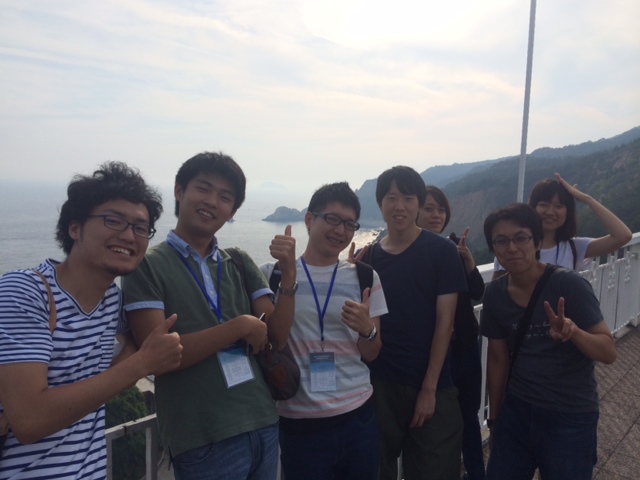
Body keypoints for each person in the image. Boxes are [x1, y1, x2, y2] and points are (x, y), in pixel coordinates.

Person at [0, 162, 183, 479]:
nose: (129, 235)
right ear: (75, 228)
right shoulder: (25, 291)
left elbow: (135, 344)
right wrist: (142, 363)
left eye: (141, 228)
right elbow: (30, 420)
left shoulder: (113, 302)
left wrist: (138, 354)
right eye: (114, 220)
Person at [122, 151, 296, 480]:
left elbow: (276, 336)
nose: (212, 202)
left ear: (232, 212)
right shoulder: (146, 266)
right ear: (179, 191)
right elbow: (156, 357)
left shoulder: (238, 262)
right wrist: (238, 327)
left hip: (262, 420)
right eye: (203, 188)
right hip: (202, 437)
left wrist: (288, 276)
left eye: (225, 197)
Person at [260, 182, 388, 480]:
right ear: (309, 219)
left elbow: (372, 352)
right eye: (332, 219)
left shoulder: (365, 277)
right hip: (299, 422)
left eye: (349, 224)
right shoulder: (273, 274)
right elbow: (272, 342)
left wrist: (367, 330)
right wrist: (288, 277)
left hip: (358, 417)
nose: (341, 231)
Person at [481, 203, 617, 480]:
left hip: (569, 415)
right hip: (517, 412)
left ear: (537, 242)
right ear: (493, 248)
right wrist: (495, 421)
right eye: (501, 241)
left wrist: (574, 332)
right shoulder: (495, 293)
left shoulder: (568, 285)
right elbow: (497, 358)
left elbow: (608, 351)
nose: (512, 248)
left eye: (521, 238)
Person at [359, 166, 467, 480]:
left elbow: (445, 323)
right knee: (377, 469)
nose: (400, 206)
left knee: (434, 470)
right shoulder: (370, 258)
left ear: (418, 203)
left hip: (432, 383)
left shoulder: (442, 252)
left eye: (408, 198)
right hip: (380, 385)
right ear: (380, 203)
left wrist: (429, 389)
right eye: (391, 198)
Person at [416, 185, 485, 480]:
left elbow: (478, 292)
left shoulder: (455, 247)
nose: (436, 215)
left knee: (468, 416)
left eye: (441, 209)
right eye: (429, 208)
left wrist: (469, 264)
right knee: (437, 421)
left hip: (464, 347)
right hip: (431, 351)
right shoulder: (409, 252)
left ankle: (476, 474)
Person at [493, 172, 632, 278]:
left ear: (567, 212)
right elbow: (497, 293)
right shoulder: (514, 248)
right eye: (544, 204)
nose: (550, 212)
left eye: (559, 206)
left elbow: (623, 236)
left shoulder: (574, 247)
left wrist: (586, 199)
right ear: (533, 207)